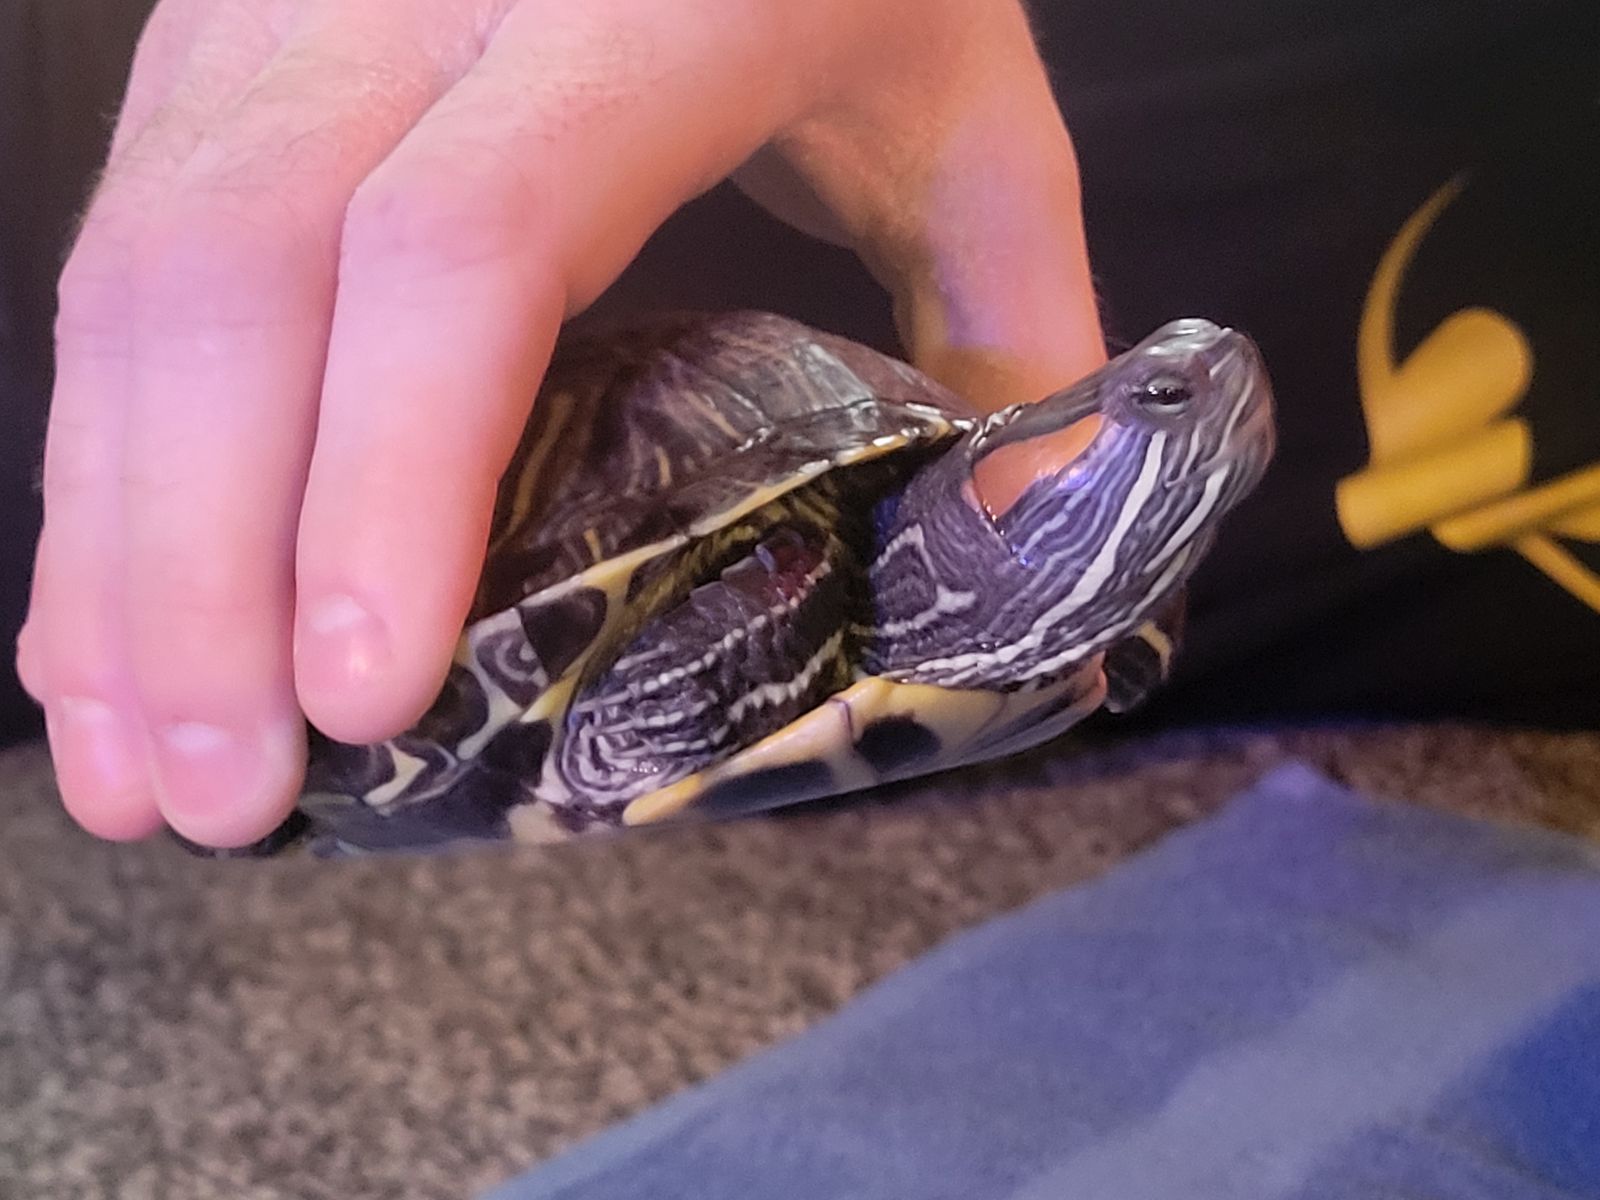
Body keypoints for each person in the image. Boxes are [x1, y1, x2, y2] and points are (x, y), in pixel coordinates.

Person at [4, 0, 1596, 851]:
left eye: (1168, 398)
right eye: (1159, 396)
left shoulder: (1077, 615)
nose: (1206, 381)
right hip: (207, 427)